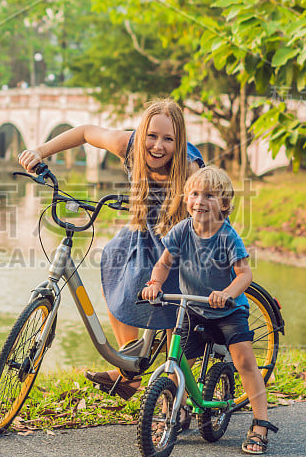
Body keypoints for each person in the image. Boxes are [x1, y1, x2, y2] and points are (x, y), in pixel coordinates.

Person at [18, 99, 204, 399]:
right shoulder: (128, 145)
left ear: (179, 141)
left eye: (168, 139)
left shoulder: (188, 169)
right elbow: (85, 132)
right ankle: (130, 367)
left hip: (182, 234)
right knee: (113, 260)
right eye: (151, 136)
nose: (157, 146)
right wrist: (40, 151)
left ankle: (176, 394)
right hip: (144, 226)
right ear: (140, 132)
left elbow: (209, 219)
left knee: (174, 317)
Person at [141, 166, 277, 454]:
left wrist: (226, 294)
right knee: (176, 359)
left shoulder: (227, 237)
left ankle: (261, 423)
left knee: (244, 361)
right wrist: (154, 283)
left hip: (227, 309)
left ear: (224, 204)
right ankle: (174, 411)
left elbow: (244, 275)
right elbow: (164, 263)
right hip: (193, 307)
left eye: (210, 196)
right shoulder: (181, 231)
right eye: (194, 194)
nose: (200, 201)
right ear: (186, 199)